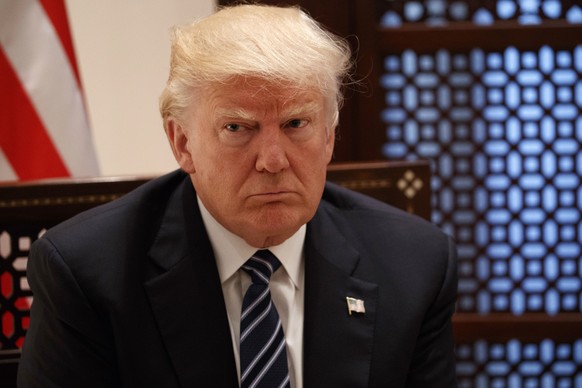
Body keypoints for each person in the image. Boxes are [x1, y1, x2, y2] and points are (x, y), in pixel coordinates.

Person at [18, 4, 458, 387]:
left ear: (328, 137)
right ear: (183, 143)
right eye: (237, 128)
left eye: (296, 125)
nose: (272, 160)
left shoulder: (415, 265)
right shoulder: (86, 274)